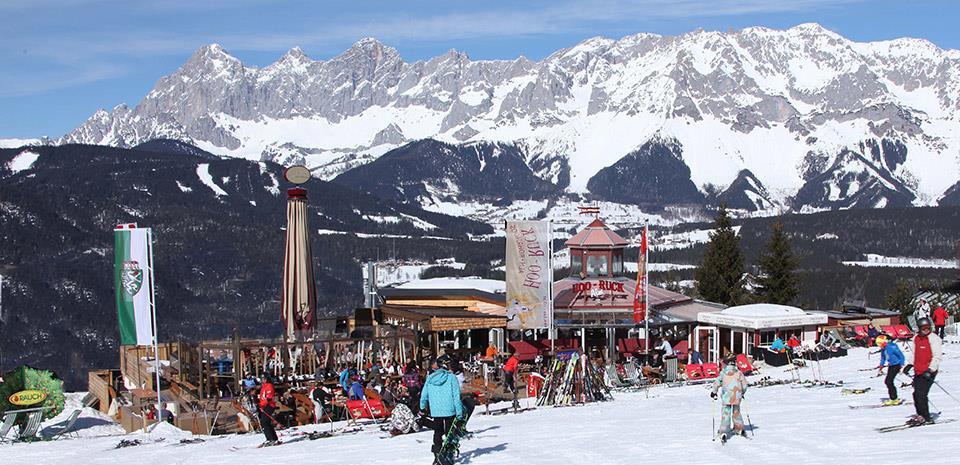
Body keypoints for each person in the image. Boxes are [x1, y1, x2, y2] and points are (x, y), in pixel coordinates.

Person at [419, 355, 464, 464]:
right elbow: (456, 396)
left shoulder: (430, 378)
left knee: (437, 432)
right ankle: (448, 454)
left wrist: (422, 407)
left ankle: (437, 454)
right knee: (450, 433)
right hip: (450, 410)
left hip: (436, 410)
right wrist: (459, 413)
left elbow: (424, 395)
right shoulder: (452, 377)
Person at [903, 317, 943, 425]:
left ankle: (926, 417)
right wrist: (910, 364)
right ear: (919, 328)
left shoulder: (934, 339)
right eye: (924, 328)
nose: (926, 330)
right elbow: (915, 353)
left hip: (929, 371)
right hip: (918, 371)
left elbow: (937, 356)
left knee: (921, 394)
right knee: (916, 394)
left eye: (928, 328)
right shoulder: (916, 338)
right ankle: (920, 415)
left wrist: (931, 369)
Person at [711, 354, 749, 443]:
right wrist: (742, 392)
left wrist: (714, 392)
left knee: (726, 413)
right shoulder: (739, 373)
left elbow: (717, 383)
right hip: (736, 396)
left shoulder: (723, 373)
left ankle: (724, 431)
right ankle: (739, 428)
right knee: (736, 412)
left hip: (726, 397)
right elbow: (745, 385)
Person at [874, 335, 905, 405]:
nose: (879, 346)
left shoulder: (892, 346)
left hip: (896, 365)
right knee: (888, 381)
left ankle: (894, 399)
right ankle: (893, 398)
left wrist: (901, 365)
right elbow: (883, 357)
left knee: (889, 381)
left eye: (880, 344)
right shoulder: (883, 348)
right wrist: (881, 365)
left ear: (884, 342)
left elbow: (901, 356)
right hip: (891, 365)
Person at [258, 376, 280, 445]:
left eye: (264, 379)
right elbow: (262, 397)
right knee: (266, 422)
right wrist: (260, 404)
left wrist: (262, 404)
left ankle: (271, 438)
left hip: (270, 405)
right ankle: (273, 438)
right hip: (265, 406)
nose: (263, 380)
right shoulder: (263, 386)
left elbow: (269, 397)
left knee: (264, 421)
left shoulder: (269, 386)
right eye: (262, 379)